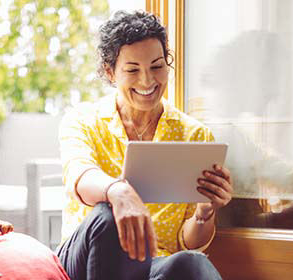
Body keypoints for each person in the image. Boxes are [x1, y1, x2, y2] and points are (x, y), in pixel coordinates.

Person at [56, 10, 230, 280]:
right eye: (132, 70)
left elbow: (189, 241)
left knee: (192, 262)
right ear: (110, 72)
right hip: (84, 260)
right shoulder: (83, 120)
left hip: (152, 268)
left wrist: (204, 213)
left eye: (157, 66)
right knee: (108, 214)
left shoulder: (194, 135)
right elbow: (79, 177)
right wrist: (118, 192)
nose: (147, 81)